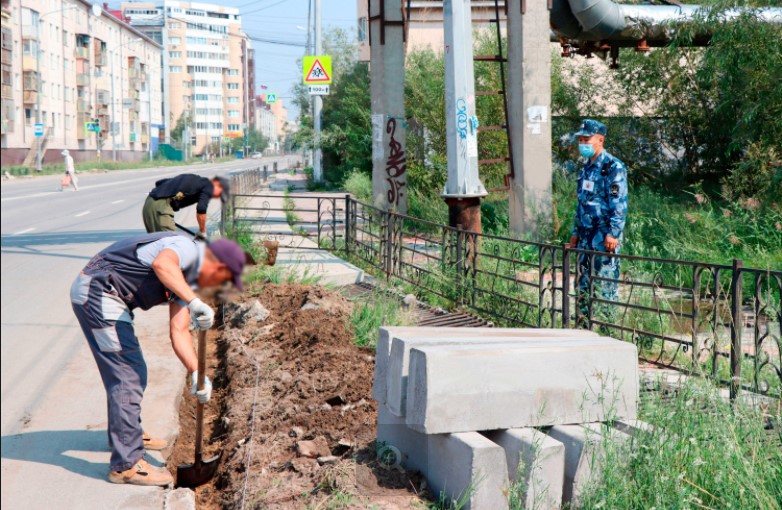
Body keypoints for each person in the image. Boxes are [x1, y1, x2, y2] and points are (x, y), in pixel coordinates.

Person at [70, 233, 248, 486]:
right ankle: (126, 466)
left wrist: (197, 373)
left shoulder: (187, 279)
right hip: (98, 295)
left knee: (133, 371)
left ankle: (129, 433)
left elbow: (179, 330)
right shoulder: (187, 249)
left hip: (108, 298)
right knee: (127, 375)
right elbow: (161, 265)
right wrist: (195, 301)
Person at [569, 119, 628, 324]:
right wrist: (575, 231)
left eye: (587, 139)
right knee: (583, 283)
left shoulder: (613, 167)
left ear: (600, 140)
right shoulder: (586, 167)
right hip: (585, 235)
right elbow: (581, 201)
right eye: (581, 139)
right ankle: (583, 326)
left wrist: (613, 233)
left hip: (603, 236)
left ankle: (607, 328)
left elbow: (619, 203)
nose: (583, 143)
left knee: (604, 283)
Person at [142, 174, 230, 239]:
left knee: (155, 242)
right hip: (161, 207)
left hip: (149, 204)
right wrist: (203, 231)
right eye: (220, 194)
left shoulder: (194, 179)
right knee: (171, 243)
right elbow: (201, 208)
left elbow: (159, 183)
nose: (217, 197)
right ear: (217, 184)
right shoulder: (208, 186)